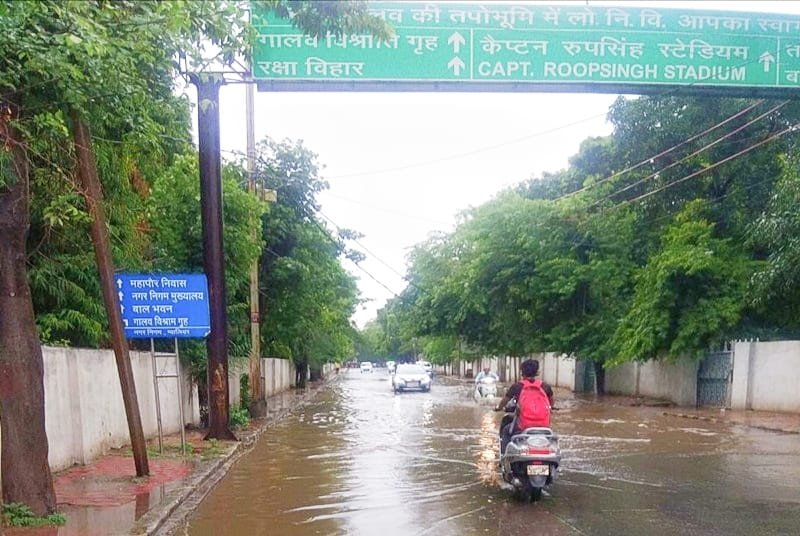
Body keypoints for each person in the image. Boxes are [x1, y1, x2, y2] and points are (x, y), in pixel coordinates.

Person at [494, 359, 554, 453]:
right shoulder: (545, 386)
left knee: (506, 431)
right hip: (544, 426)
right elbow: (551, 403)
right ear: (537, 372)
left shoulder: (517, 386)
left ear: (522, 372)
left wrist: (498, 408)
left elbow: (504, 401)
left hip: (523, 426)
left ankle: (504, 459)